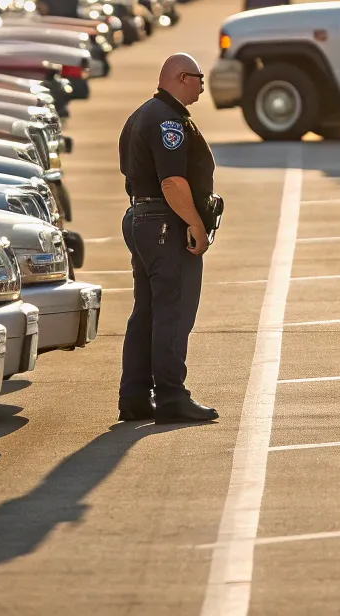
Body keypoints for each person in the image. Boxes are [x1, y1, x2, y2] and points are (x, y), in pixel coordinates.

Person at [117, 53, 220, 423]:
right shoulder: (167, 121)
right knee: (173, 312)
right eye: (199, 78)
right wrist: (195, 225)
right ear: (180, 77)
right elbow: (172, 182)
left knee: (147, 311)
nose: (203, 86)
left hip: (143, 219)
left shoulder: (143, 114)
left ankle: (135, 396)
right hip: (164, 223)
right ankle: (172, 396)